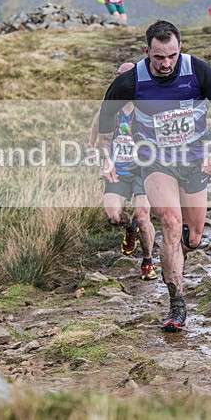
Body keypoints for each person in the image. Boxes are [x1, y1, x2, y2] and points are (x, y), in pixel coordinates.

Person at [97, 19, 211, 332]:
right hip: (155, 161)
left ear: (180, 49)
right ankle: (177, 302)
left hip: (194, 161)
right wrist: (105, 159)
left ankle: (181, 248)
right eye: (159, 57)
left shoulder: (197, 71)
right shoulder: (131, 81)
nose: (165, 63)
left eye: (171, 55)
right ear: (147, 52)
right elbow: (106, 119)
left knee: (194, 236)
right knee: (171, 224)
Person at [89, 62, 157, 280]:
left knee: (143, 215)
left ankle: (147, 261)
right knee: (112, 216)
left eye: (124, 76)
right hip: (117, 169)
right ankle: (130, 228)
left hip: (144, 170)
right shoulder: (111, 104)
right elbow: (97, 122)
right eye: (117, 75)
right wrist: (92, 148)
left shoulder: (147, 105)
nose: (119, 79)